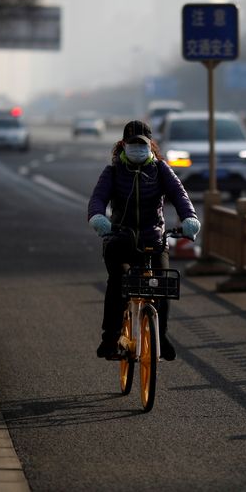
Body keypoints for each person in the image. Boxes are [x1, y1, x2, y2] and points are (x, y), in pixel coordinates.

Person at [88, 120, 200, 361]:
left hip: (154, 239)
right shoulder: (113, 172)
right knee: (118, 281)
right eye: (132, 144)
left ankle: (162, 334)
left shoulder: (160, 170)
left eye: (142, 144)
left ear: (150, 145)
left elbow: (180, 195)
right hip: (119, 239)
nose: (137, 148)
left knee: (162, 284)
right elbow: (97, 200)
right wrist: (99, 218)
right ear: (123, 144)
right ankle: (110, 338)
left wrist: (189, 217)